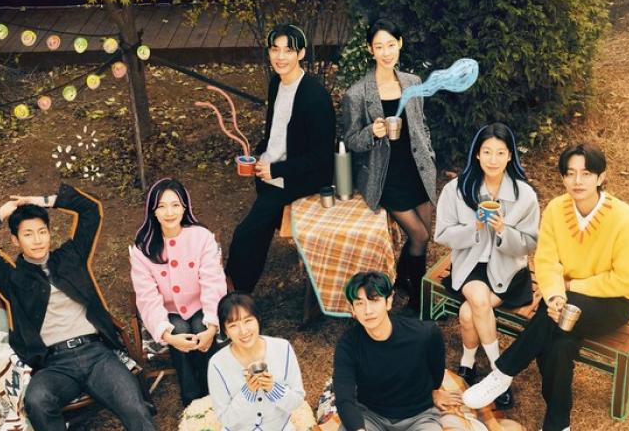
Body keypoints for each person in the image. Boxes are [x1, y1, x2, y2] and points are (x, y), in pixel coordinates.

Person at [463, 143, 629, 431]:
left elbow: (625, 280)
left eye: (586, 173)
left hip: (615, 302)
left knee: (559, 318)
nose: (577, 181)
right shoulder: (556, 209)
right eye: (570, 173)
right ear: (563, 177)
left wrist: (568, 288)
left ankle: (503, 373)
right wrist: (554, 297)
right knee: (559, 343)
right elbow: (547, 261)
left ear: (601, 177)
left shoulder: (626, 220)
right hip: (565, 299)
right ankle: (558, 424)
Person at [0, 184, 155, 431]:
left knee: (135, 408)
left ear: (49, 233)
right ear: (14, 240)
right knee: (37, 401)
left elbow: (91, 209)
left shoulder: (72, 257)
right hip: (54, 366)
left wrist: (43, 200)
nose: (37, 240)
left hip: (97, 355)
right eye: (28, 234)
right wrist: (3, 212)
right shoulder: (11, 278)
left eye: (42, 231)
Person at [225, 23, 336, 293]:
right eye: (275, 49)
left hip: (297, 179)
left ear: (301, 53)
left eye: (288, 50)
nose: (281, 57)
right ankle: (237, 290)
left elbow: (321, 159)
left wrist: (276, 169)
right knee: (259, 230)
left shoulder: (315, 98)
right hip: (270, 173)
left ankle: (235, 297)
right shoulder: (277, 83)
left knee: (245, 235)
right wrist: (258, 154)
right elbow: (276, 131)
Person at [434, 123, 539, 408]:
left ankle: (469, 364)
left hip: (508, 270)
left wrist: (504, 230)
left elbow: (530, 244)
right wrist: (476, 228)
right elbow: (442, 234)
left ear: (510, 156)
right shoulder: (457, 190)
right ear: (477, 154)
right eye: (487, 152)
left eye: (500, 152)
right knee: (478, 300)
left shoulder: (525, 195)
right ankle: (499, 373)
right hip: (470, 264)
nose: (493, 159)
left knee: (468, 312)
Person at [342, 18, 438, 310]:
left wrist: (430, 154)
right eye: (379, 46)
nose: (386, 52)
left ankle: (401, 280)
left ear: (400, 44)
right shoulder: (357, 94)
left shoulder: (413, 82)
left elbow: (421, 125)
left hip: (417, 170)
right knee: (419, 235)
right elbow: (350, 141)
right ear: (370, 49)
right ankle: (419, 301)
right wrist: (372, 132)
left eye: (391, 45)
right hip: (385, 177)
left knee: (423, 236)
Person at [130, 178, 227, 406]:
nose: (169, 212)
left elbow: (213, 282)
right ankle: (192, 400)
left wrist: (212, 326)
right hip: (168, 311)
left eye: (175, 205)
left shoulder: (201, 237)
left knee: (201, 327)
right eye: (162, 206)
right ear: (153, 211)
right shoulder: (143, 248)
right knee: (180, 329)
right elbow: (147, 297)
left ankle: (216, 393)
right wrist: (167, 336)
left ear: (185, 207)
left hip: (201, 305)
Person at [333, 272, 458, 431]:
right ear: (352, 309)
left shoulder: (424, 334)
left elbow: (436, 372)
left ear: (389, 301)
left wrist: (433, 391)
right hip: (371, 416)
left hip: (419, 416)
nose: (368, 311)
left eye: (374, 300)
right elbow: (344, 398)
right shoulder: (348, 345)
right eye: (359, 303)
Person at [208, 292, 305, 431]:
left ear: (258, 319)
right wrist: (248, 393)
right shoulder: (217, 364)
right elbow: (225, 419)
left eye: (248, 321)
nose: (243, 331)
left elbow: (297, 401)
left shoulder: (283, 348)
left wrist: (273, 388)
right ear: (225, 330)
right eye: (233, 325)